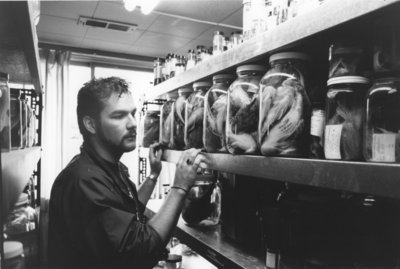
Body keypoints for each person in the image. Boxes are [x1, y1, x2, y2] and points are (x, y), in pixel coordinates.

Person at [48, 77, 205, 269]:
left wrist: (153, 176)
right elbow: (139, 252)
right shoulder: (85, 181)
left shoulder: (106, 166)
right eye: (118, 116)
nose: (132, 124)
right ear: (91, 124)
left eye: (133, 114)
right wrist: (179, 188)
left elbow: (127, 210)